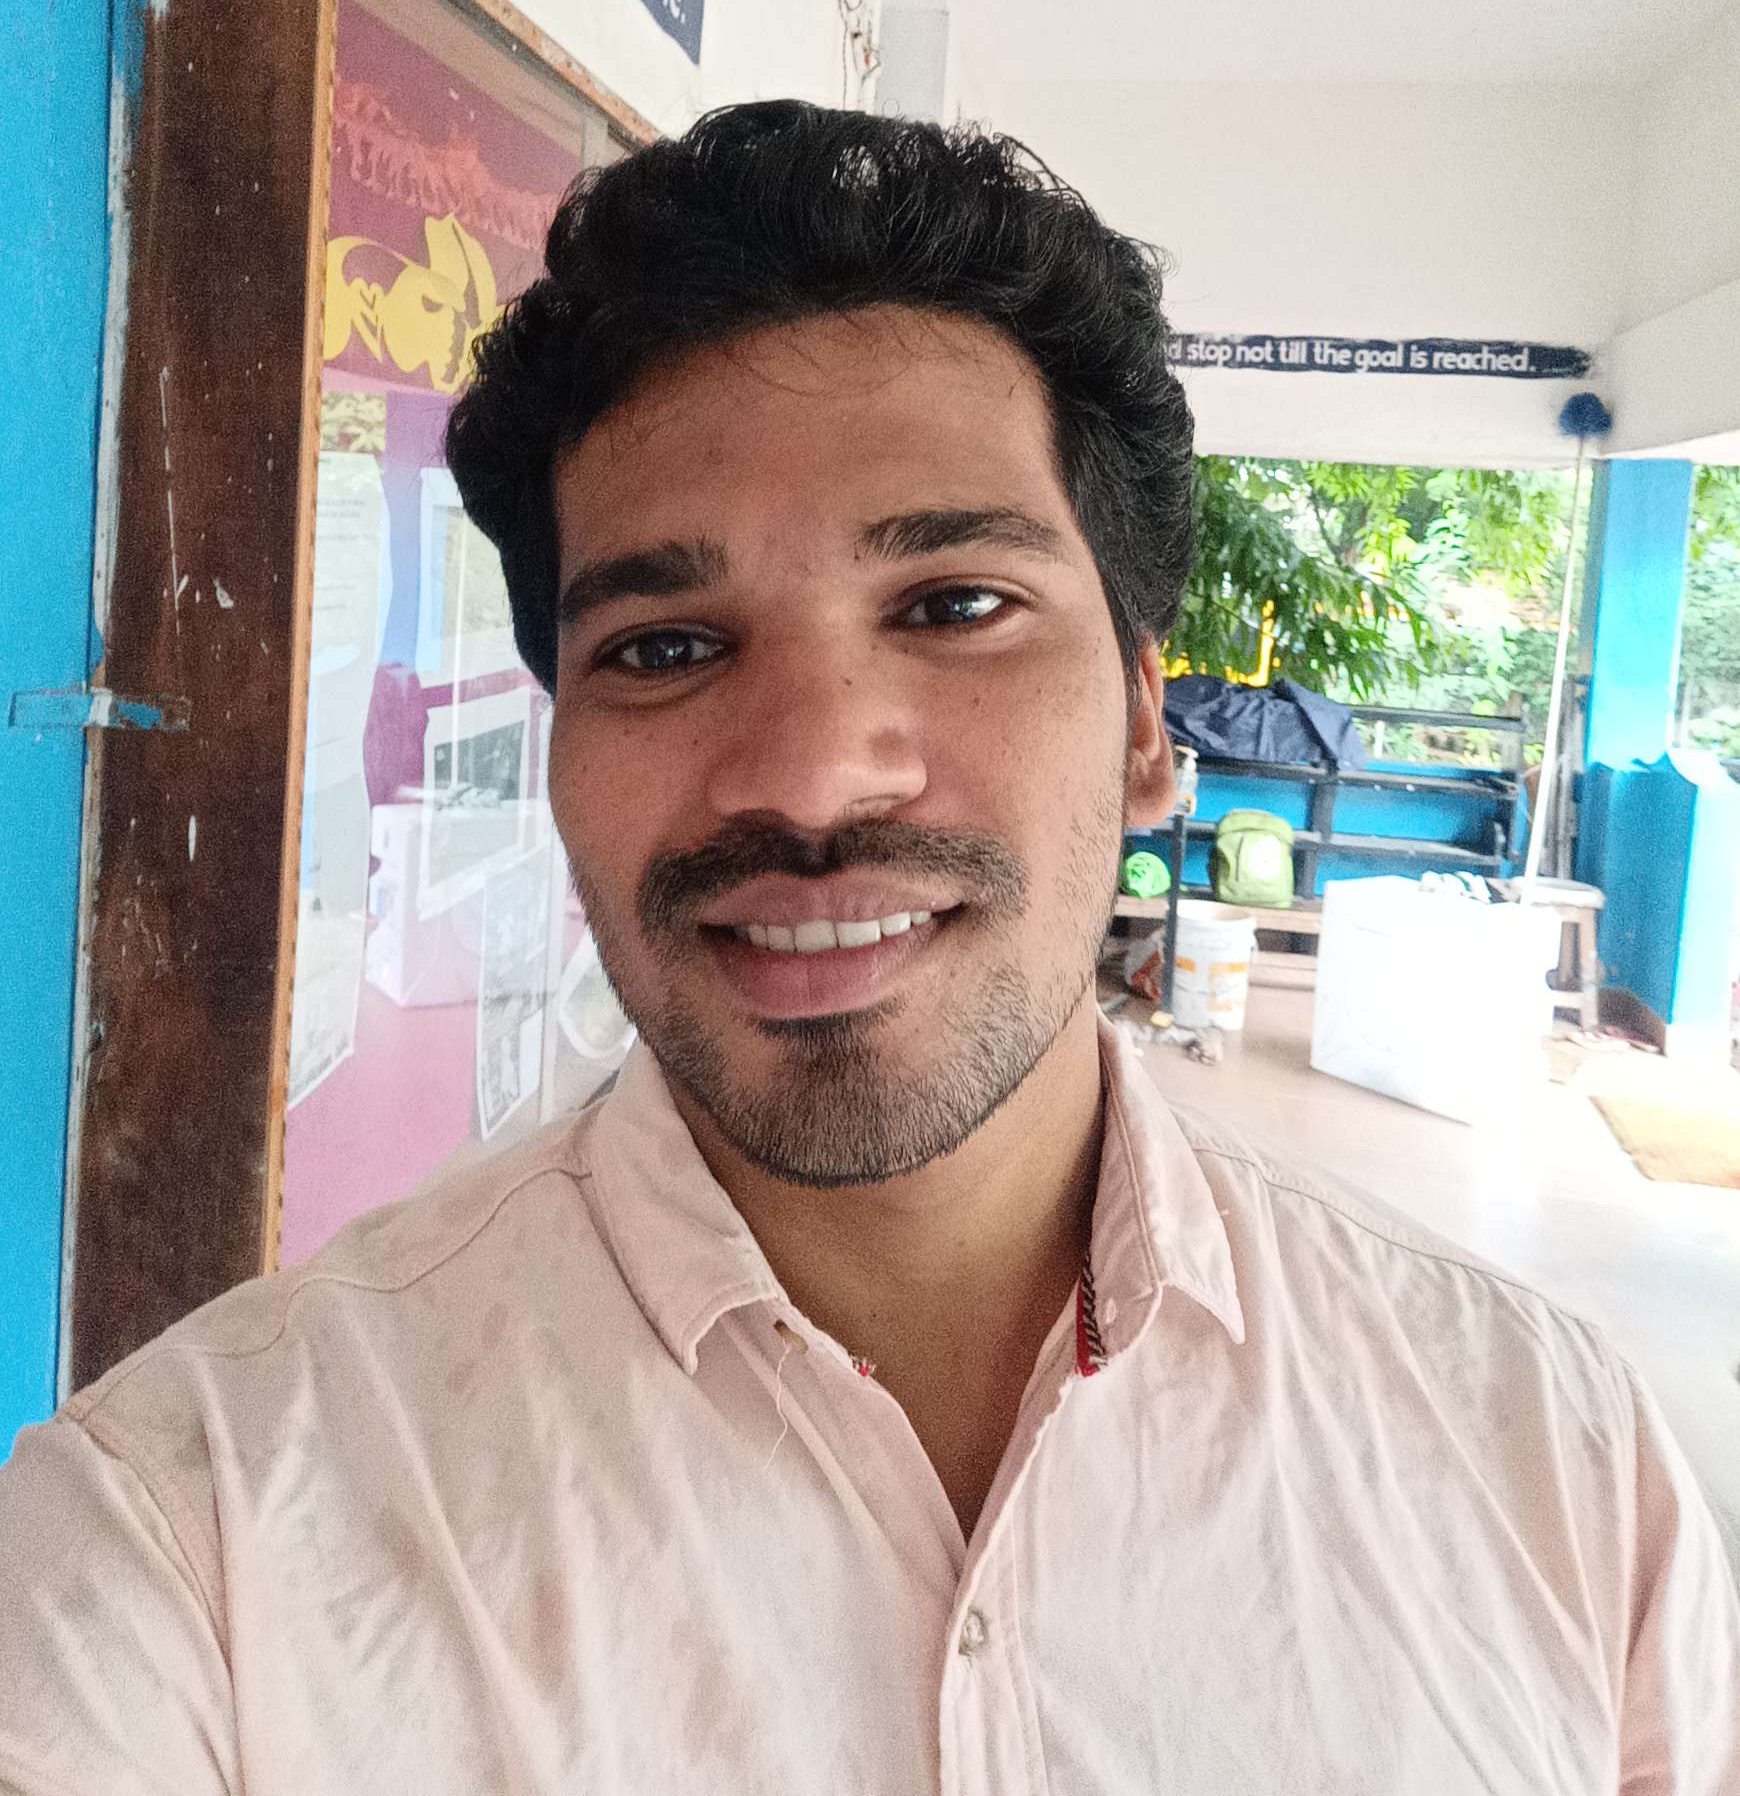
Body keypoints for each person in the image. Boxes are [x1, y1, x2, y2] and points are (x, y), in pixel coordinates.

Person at [1, 101, 1735, 1794]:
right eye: (664, 648)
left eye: (957, 606)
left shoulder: (1559, 1465)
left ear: (1148, 723)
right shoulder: (188, 1552)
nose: (813, 773)